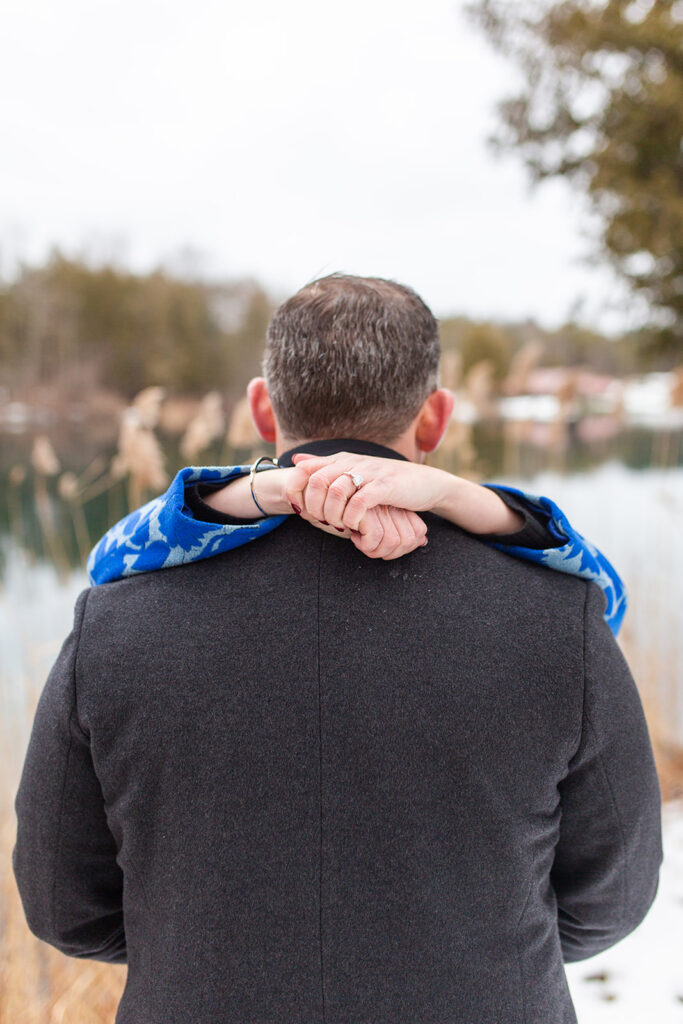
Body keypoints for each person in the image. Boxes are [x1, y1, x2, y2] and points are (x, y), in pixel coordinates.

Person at [13, 274, 661, 1024]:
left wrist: (199, 949)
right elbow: (612, 899)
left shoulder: (114, 617)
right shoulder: (561, 614)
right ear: (436, 419)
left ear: (263, 407)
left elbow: (65, 907)